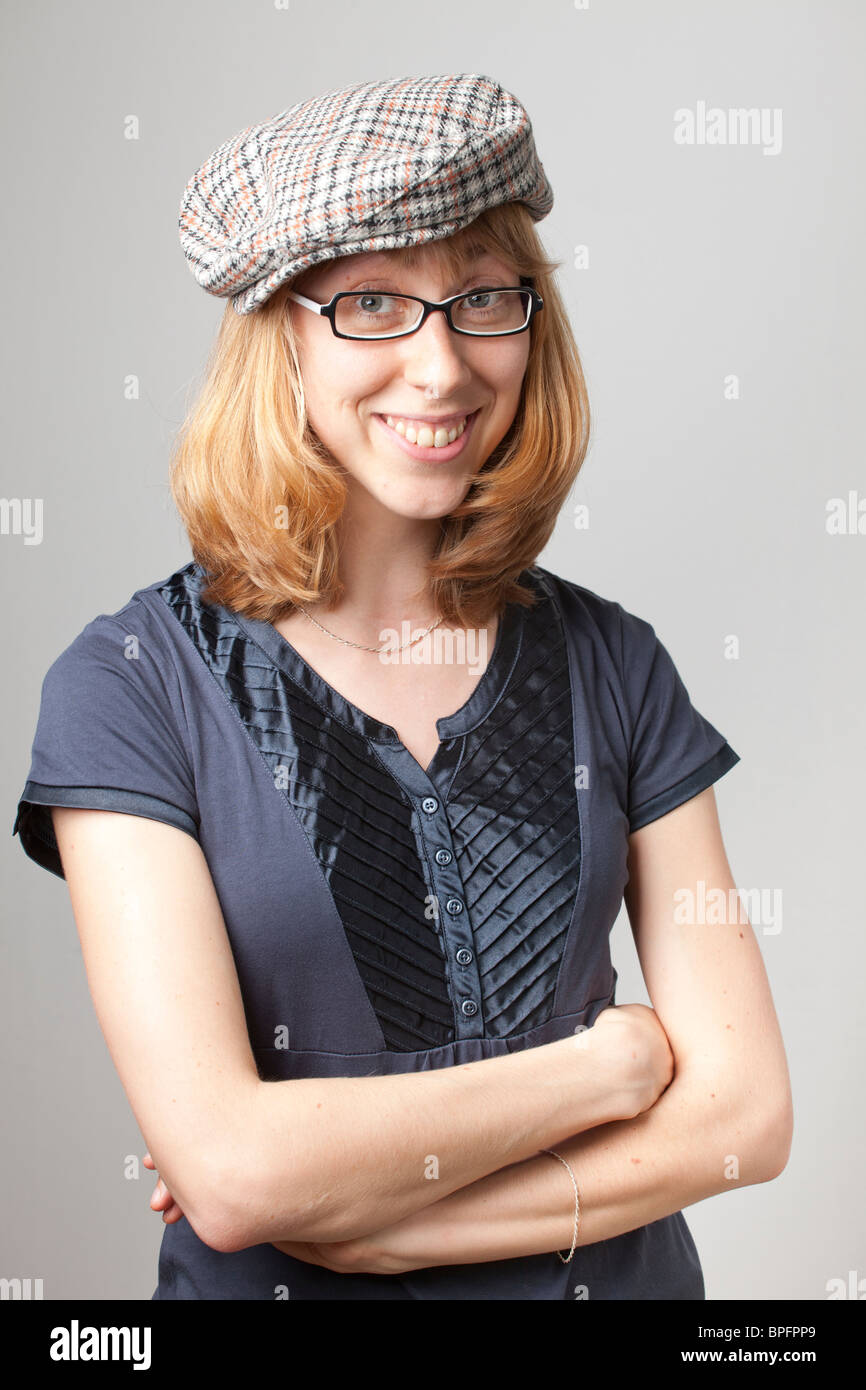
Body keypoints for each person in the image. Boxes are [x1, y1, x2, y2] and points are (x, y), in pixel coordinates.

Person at [12, 73, 792, 1301]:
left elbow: (745, 1116)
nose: (438, 366)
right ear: (278, 335)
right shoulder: (129, 689)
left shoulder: (614, 662)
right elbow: (231, 1174)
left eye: (481, 296)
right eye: (371, 302)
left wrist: (388, 1227)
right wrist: (612, 1064)